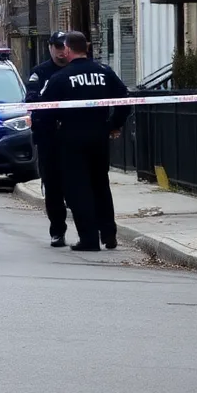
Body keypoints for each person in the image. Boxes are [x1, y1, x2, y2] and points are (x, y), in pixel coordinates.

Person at [39, 31, 131, 252]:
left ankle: (89, 239)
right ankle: (109, 234)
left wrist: (49, 136)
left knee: (77, 189)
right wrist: (114, 124)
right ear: (86, 48)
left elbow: (44, 111)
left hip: (71, 139)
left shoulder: (60, 77)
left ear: (68, 49)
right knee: (100, 185)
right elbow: (125, 100)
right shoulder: (104, 72)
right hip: (99, 137)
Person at [25, 32, 71, 247]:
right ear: (50, 48)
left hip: (73, 137)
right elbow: (32, 99)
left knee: (76, 185)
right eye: (57, 47)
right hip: (48, 137)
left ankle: (87, 229)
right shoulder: (40, 72)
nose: (62, 52)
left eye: (65, 47)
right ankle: (57, 231)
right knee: (52, 186)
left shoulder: (77, 69)